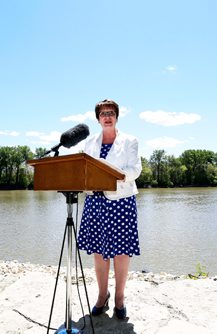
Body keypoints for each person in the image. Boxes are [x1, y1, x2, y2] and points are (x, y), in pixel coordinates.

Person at [77, 99, 142, 320]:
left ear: (116, 116)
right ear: (97, 118)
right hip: (95, 201)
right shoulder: (89, 143)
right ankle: (102, 295)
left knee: (122, 253)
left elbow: (135, 170)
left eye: (111, 113)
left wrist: (112, 175)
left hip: (121, 201)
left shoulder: (130, 140)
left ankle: (119, 298)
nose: (107, 116)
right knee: (99, 251)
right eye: (103, 113)